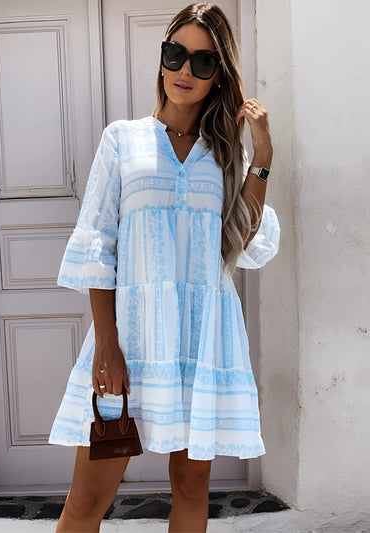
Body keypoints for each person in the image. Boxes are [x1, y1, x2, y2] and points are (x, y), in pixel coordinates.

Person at [49, 3, 280, 532]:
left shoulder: (224, 155)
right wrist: (106, 346)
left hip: (202, 344)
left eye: (203, 62)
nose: (184, 71)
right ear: (161, 59)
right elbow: (98, 248)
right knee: (87, 500)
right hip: (130, 342)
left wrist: (260, 154)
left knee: (191, 488)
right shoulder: (122, 141)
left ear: (219, 75)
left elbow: (242, 242)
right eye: (176, 54)